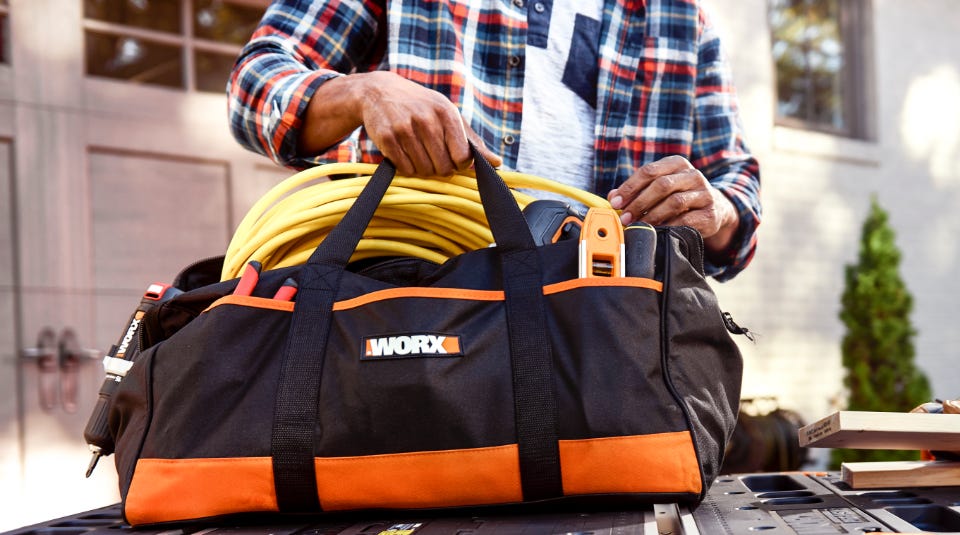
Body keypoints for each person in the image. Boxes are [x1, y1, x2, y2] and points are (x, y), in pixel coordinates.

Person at [227, 0, 761, 281]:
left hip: (604, 335)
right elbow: (254, 88)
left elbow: (736, 193)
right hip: (406, 317)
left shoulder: (682, 18)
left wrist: (714, 207)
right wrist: (362, 92)